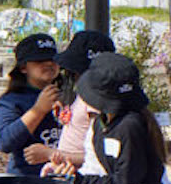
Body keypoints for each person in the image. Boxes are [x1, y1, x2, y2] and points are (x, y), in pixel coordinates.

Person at [48, 51, 167, 184]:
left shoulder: (129, 126)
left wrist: (80, 181)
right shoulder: (101, 122)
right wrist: (70, 175)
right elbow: (102, 172)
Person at [0, 30, 63, 177]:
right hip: (27, 181)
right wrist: (38, 110)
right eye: (40, 61)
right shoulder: (11, 101)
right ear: (23, 67)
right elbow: (4, 142)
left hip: (63, 177)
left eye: (53, 59)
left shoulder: (67, 95)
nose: (49, 64)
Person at [47, 28, 119, 173]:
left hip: (84, 172)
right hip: (68, 169)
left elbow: (96, 156)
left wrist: (50, 154)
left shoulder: (95, 102)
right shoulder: (83, 95)